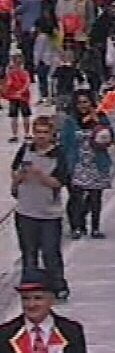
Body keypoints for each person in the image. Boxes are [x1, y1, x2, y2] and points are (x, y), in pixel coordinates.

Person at [9, 121, 68, 301]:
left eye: (45, 132)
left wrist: (40, 174)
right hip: (25, 211)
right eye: (38, 132)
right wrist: (19, 177)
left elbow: (60, 182)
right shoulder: (26, 150)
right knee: (28, 252)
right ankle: (29, 287)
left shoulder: (58, 154)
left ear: (51, 134)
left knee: (50, 252)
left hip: (49, 214)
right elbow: (14, 172)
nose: (41, 136)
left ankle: (57, 286)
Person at [55, 94, 112, 242]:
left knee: (95, 197)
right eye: (79, 102)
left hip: (96, 162)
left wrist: (97, 121)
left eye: (86, 102)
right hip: (77, 163)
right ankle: (76, 226)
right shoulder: (70, 121)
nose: (83, 105)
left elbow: (109, 136)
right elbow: (64, 142)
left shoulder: (100, 117)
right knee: (76, 197)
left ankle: (95, 227)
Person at [0, 55, 29, 142]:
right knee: (15, 117)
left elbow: (26, 83)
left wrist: (20, 91)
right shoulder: (11, 73)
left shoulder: (24, 73)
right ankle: (15, 134)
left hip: (22, 97)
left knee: (24, 116)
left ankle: (25, 134)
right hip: (15, 97)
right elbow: (7, 84)